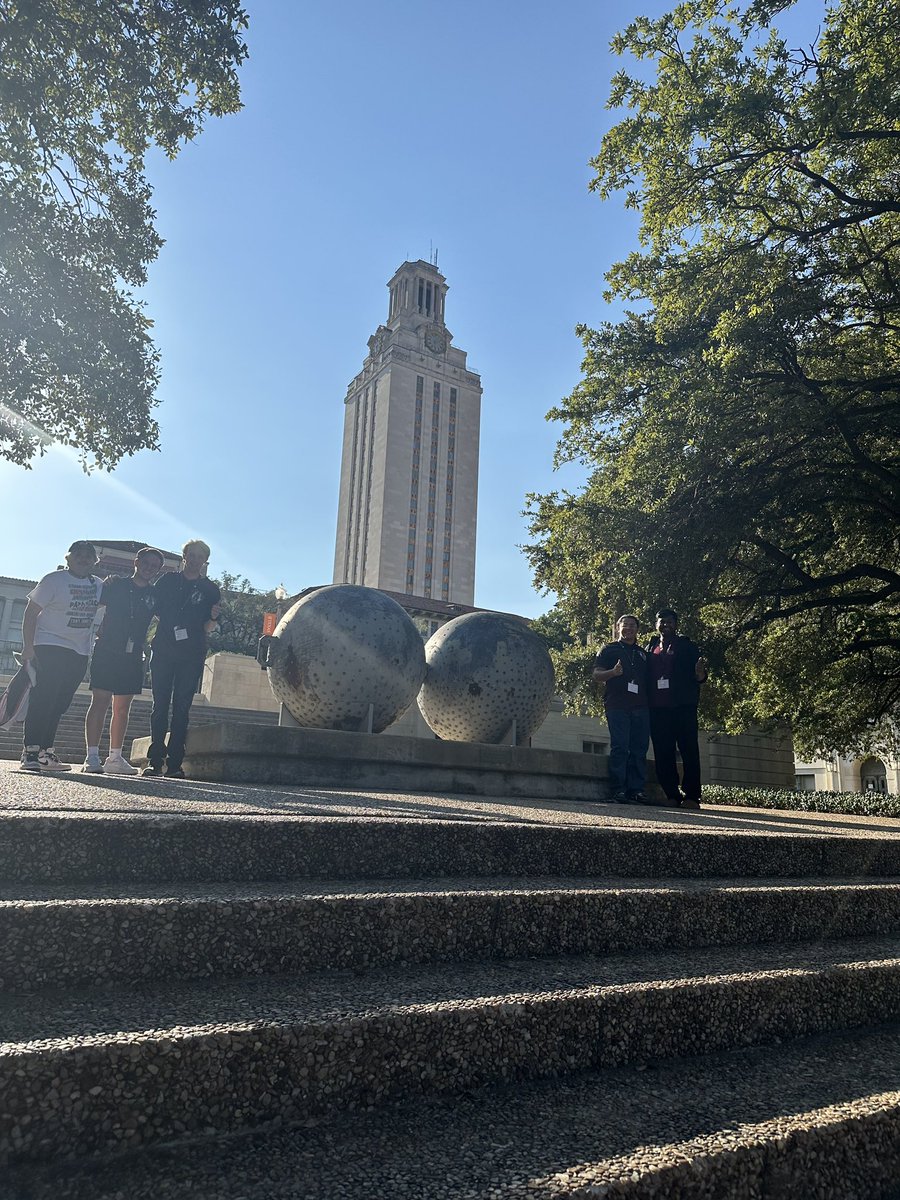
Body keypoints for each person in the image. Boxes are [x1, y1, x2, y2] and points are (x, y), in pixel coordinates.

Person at [18, 541, 105, 773]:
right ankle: (31, 751)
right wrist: (28, 646)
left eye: (89, 555)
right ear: (68, 558)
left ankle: (46, 751)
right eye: (79, 554)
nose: (84, 559)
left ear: (95, 561)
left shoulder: (97, 584)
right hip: (50, 645)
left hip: (79, 651)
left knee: (60, 702)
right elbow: (31, 612)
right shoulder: (53, 580)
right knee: (44, 698)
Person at [83, 546, 165, 774]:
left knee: (122, 708)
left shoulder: (155, 595)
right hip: (107, 649)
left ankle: (115, 757)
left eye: (155, 566)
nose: (150, 569)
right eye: (146, 563)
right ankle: (91, 757)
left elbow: (168, 618)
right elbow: (90, 604)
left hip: (133, 655)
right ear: (136, 562)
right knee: (99, 701)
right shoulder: (115, 585)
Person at [143, 539, 220, 779]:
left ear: (205, 561)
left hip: (192, 653)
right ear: (184, 556)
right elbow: (152, 608)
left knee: (182, 708)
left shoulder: (210, 589)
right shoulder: (167, 581)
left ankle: (175, 763)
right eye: (191, 554)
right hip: (164, 649)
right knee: (159, 706)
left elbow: (208, 626)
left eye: (200, 556)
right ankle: (155, 761)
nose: (195, 559)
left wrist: (215, 619)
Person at [646, 608, 708, 810]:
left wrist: (700, 673)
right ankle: (671, 794)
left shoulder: (687, 646)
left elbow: (700, 676)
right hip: (658, 708)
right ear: (656, 625)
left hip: (683, 707)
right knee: (663, 752)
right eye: (662, 622)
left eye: (670, 621)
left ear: (676, 624)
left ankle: (692, 795)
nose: (666, 625)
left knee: (689, 750)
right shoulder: (651, 646)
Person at [592, 614, 658, 805]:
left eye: (632, 626)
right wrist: (612, 673)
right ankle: (618, 790)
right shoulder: (608, 649)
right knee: (620, 746)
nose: (628, 629)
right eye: (625, 625)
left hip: (641, 707)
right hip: (617, 706)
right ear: (618, 628)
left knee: (639, 748)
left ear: (637, 630)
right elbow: (596, 675)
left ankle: (636, 790)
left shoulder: (643, 653)